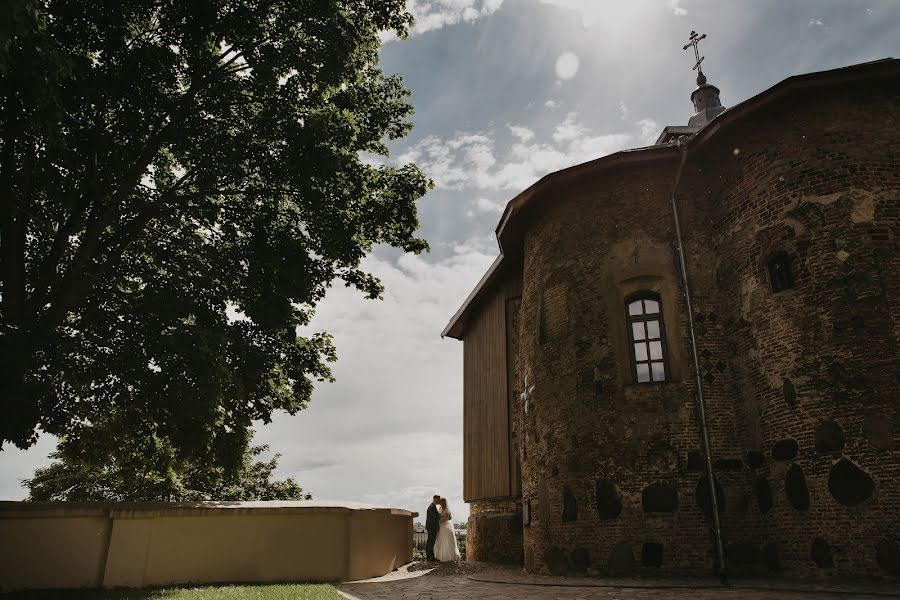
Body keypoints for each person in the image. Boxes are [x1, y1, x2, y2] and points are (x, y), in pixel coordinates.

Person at [434, 497, 461, 562]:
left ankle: (448, 556)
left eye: (440, 502)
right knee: (440, 540)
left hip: (445, 526)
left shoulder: (446, 509)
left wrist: (440, 521)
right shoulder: (440, 508)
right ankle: (440, 556)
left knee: (446, 541)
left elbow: (447, 518)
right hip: (441, 526)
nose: (439, 503)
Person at [425, 494, 441, 562]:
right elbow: (436, 517)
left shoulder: (432, 506)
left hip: (431, 527)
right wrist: (439, 516)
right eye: (438, 500)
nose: (439, 501)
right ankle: (430, 557)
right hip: (432, 528)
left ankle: (429, 557)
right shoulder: (431, 507)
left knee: (430, 542)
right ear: (435, 499)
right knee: (431, 543)